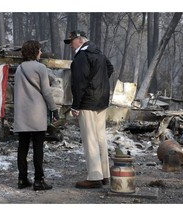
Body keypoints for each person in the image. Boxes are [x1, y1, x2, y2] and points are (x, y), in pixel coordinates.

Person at [64, 30, 114, 189]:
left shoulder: (81, 56)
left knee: (90, 138)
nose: (70, 45)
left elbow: (79, 83)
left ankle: (94, 176)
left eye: (71, 42)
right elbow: (109, 68)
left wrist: (75, 105)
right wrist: (99, 84)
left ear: (79, 40)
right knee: (100, 137)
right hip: (101, 100)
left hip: (87, 102)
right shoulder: (98, 52)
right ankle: (105, 174)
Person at [13, 40, 59, 191]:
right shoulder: (40, 68)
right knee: (38, 148)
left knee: (22, 147)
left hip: (22, 114)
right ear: (35, 51)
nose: (40, 52)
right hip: (37, 113)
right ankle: (39, 180)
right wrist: (53, 108)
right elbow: (46, 91)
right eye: (39, 50)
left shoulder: (19, 68)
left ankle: (22, 179)